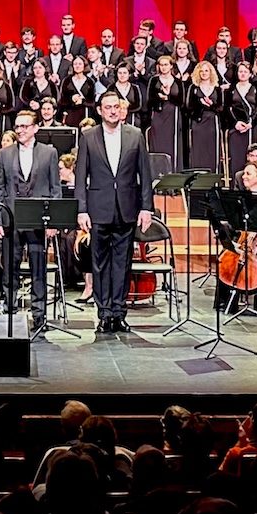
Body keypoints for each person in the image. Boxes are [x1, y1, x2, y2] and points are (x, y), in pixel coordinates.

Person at [75, 89, 154, 335]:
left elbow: (145, 173)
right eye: (107, 107)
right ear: (99, 111)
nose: (112, 110)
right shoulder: (88, 137)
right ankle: (104, 313)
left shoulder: (135, 135)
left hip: (127, 208)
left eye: (116, 107)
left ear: (121, 110)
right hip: (98, 209)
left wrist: (146, 207)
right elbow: (80, 177)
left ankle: (119, 313)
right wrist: (82, 210)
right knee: (99, 265)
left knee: (123, 263)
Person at [0, 110, 61, 332]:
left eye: (25, 126)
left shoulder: (49, 153)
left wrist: (53, 222)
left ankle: (40, 316)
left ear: (35, 128)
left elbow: (55, 189)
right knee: (10, 268)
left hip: (38, 220)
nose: (20, 130)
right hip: (11, 219)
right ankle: (10, 309)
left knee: (39, 269)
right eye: (18, 126)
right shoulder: (5, 154)